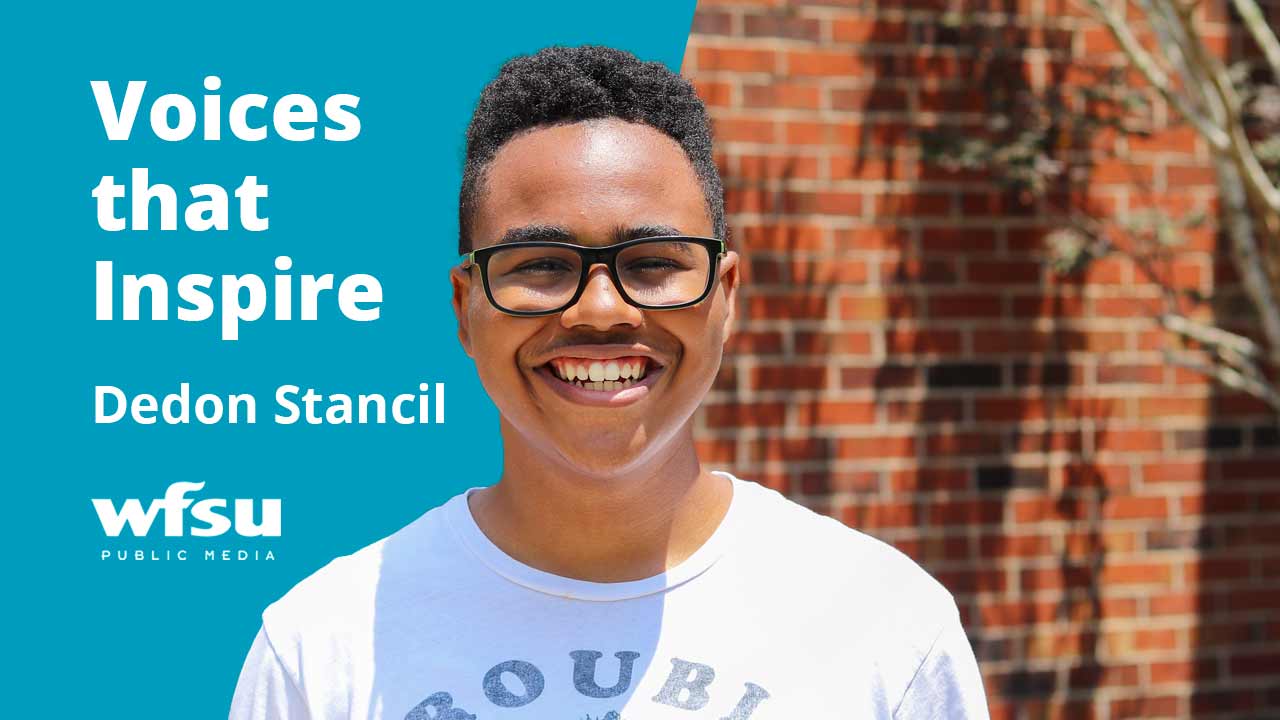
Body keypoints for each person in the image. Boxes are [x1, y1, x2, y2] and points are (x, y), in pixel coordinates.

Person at [230, 45, 990, 720]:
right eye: (541, 265)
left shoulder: (885, 626)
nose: (600, 310)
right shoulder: (320, 648)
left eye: (653, 263)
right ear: (465, 309)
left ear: (725, 297)